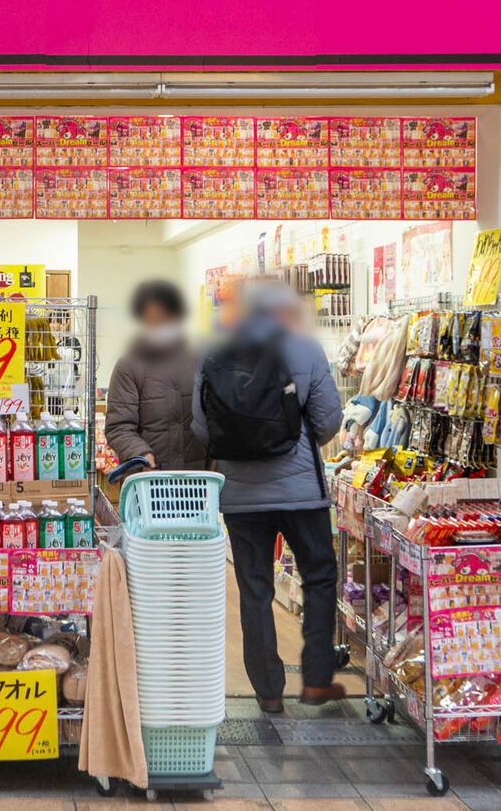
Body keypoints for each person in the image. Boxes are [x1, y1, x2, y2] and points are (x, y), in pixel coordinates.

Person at [193, 279, 344, 714]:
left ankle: (268, 691)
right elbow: (329, 420)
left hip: (241, 498)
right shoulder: (305, 349)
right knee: (319, 578)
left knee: (254, 590)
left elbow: (202, 428)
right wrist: (296, 441)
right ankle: (316, 681)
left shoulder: (213, 353)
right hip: (301, 495)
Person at [105, 279, 204, 471]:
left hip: (199, 478)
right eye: (154, 319)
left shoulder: (200, 359)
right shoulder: (129, 366)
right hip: (150, 481)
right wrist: (141, 454)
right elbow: (119, 426)